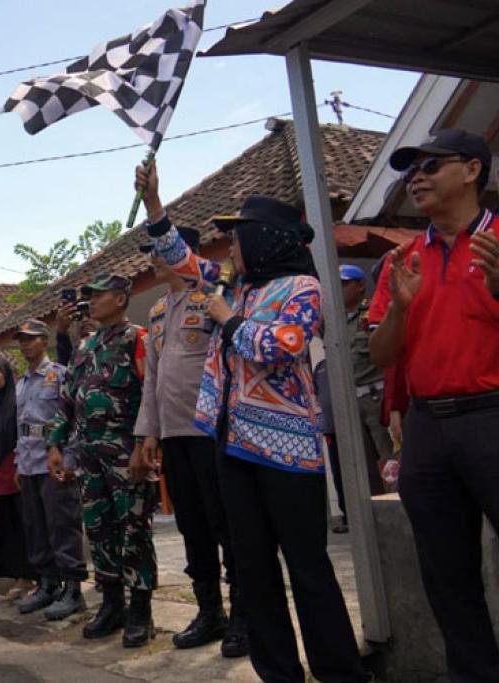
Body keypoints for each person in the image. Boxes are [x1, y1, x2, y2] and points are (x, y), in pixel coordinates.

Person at [140, 160, 365, 682]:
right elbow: (183, 259)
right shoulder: (233, 286)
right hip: (231, 447)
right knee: (255, 569)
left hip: (289, 455)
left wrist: (228, 319)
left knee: (307, 570)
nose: (230, 248)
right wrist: (155, 206)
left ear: (266, 240)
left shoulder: (302, 288)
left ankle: (340, 673)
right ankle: (277, 671)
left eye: (238, 238)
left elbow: (282, 348)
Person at [368, 128, 499, 682]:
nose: (415, 177)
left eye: (431, 165)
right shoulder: (402, 259)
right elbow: (381, 353)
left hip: (493, 417)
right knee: (446, 573)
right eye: (410, 168)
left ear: (471, 170)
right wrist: (399, 309)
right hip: (427, 430)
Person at [134, 232, 247, 658]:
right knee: (192, 527)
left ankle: (244, 615)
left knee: (227, 523)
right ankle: (209, 610)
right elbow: (154, 378)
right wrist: (149, 431)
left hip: (211, 432)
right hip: (174, 435)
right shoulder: (159, 311)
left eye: (158, 252)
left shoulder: (218, 294)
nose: (152, 260)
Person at [48, 273, 158, 648]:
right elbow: (67, 399)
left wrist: (147, 442)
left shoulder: (137, 339)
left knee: (134, 530)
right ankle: (112, 604)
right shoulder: (85, 346)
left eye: (98, 295)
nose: (90, 301)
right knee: (98, 529)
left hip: (128, 453)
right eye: (89, 296)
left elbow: (151, 394)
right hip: (89, 455)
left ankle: (141, 610)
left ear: (121, 299)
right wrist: (56, 444)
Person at [10, 319, 88, 621]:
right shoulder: (22, 383)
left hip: (54, 462)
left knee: (62, 524)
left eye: (30, 339)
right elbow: (22, 427)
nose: (24, 344)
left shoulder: (59, 375)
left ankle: (72, 589)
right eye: (21, 340)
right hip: (29, 464)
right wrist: (18, 461)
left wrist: (71, 459)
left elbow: (73, 420)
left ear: (44, 341)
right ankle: (47, 583)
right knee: (36, 526)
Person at [319, 266, 390, 535]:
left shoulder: (372, 313)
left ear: (359, 286)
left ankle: (398, 513)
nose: (337, 288)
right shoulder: (330, 321)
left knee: (389, 461)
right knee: (359, 466)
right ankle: (370, 523)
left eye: (344, 283)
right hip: (348, 403)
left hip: (375, 396)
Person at [0, 355, 35, 599]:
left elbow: (21, 434)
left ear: (7, 375)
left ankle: (31, 577)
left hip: (17, 471)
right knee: (9, 527)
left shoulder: (15, 400)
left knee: (23, 524)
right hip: (1, 471)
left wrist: (20, 465)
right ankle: (20, 578)